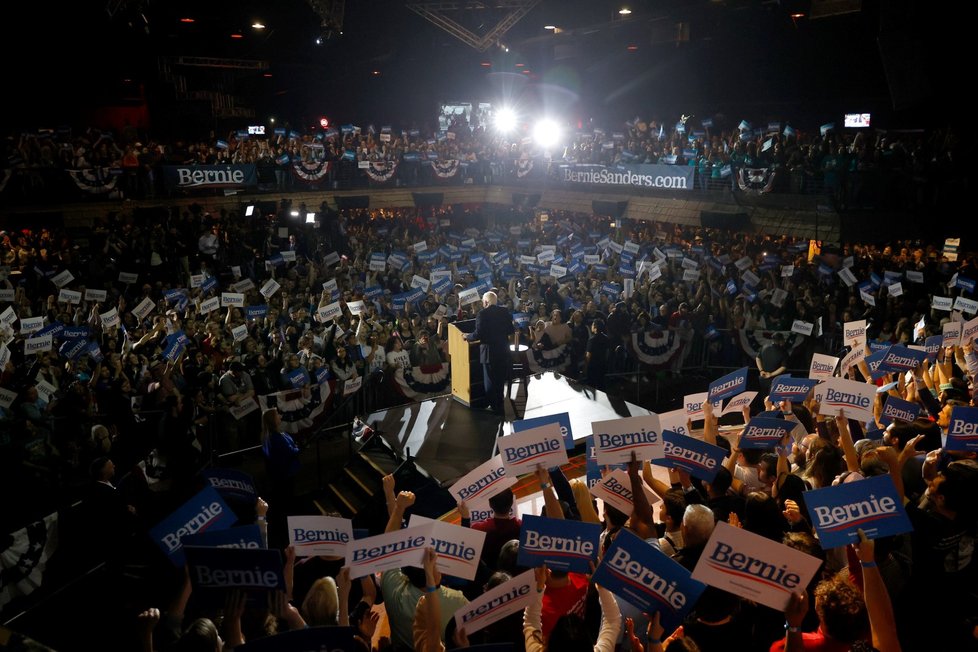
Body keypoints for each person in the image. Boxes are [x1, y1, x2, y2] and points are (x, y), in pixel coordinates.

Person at [464, 291, 516, 415]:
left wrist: (467, 336)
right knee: (499, 380)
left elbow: (478, 334)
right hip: (503, 351)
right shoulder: (504, 312)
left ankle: (494, 408)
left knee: (490, 382)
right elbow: (510, 330)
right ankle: (500, 405)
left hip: (489, 353)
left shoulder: (482, 314)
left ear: (486, 302)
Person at [260, 408, 301, 533]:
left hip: (283, 473)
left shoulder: (277, 435)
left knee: (283, 500)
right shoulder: (275, 438)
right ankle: (285, 528)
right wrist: (296, 448)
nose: (280, 415)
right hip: (283, 475)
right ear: (273, 420)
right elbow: (291, 451)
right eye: (277, 414)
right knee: (285, 501)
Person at [756, 332, 788, 396]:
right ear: (781, 341)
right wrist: (771, 374)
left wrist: (761, 370)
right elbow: (783, 367)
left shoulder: (764, 347)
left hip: (763, 378)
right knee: (772, 400)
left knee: (764, 399)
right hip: (775, 380)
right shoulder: (783, 351)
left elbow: (757, 358)